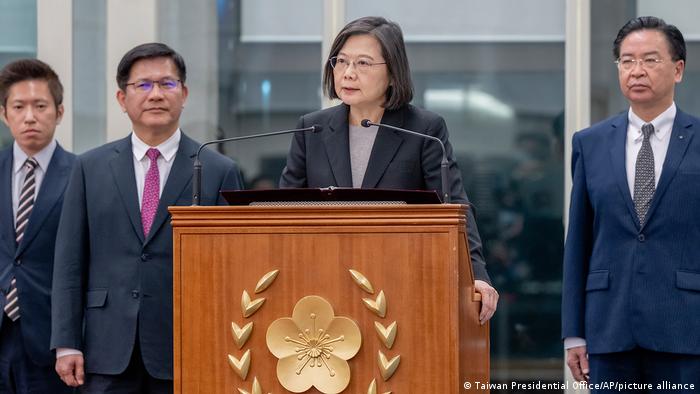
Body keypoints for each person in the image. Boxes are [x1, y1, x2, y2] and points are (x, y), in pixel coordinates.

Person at [50, 43, 243, 392]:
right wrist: (66, 342)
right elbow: (69, 261)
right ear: (122, 99)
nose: (156, 94)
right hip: (105, 348)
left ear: (183, 94)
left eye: (167, 84)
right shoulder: (89, 168)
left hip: (187, 346)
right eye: (143, 85)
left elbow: (233, 269)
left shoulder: (218, 170)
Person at [279, 16, 498, 323]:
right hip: (322, 285)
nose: (348, 73)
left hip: (401, 284)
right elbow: (280, 211)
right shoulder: (311, 128)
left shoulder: (424, 130)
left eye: (363, 63)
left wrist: (476, 273)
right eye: (341, 61)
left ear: (393, 73)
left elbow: (455, 205)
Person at [563, 16, 700, 390]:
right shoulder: (589, 144)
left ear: (678, 69)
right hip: (609, 330)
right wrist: (574, 333)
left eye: (650, 60)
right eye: (627, 61)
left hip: (686, 329)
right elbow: (580, 241)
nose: (636, 70)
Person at [0, 59, 75, 393]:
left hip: (51, 343)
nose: (29, 116)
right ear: (4, 114)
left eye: (40, 106)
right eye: (19, 106)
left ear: (59, 112)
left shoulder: (83, 174)